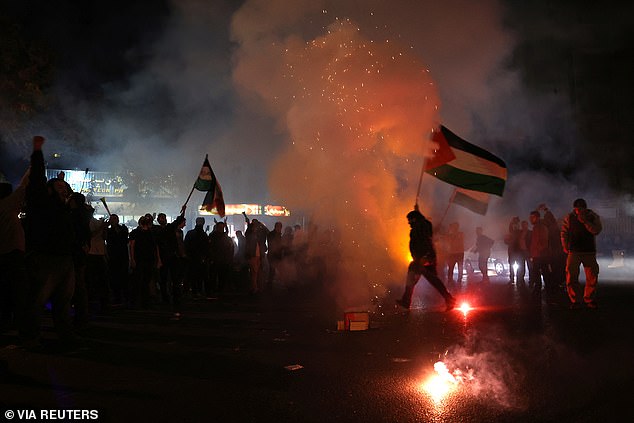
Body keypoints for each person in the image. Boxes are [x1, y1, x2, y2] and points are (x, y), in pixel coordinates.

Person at [22, 136, 78, 348]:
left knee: (63, 302)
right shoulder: (42, 203)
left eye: (65, 186)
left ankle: (66, 336)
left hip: (65, 258)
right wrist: (38, 152)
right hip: (46, 258)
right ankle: (31, 337)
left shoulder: (65, 208)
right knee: (37, 301)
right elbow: (37, 178)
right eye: (60, 186)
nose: (64, 189)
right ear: (49, 190)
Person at [396, 206, 456, 311]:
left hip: (423, 258)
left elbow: (425, 241)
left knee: (416, 276)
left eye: (410, 220)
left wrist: (425, 256)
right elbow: (424, 225)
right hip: (424, 257)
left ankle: (406, 301)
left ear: (414, 219)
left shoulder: (420, 227)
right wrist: (418, 211)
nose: (409, 223)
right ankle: (449, 299)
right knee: (433, 280)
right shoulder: (423, 225)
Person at [0, 170, 28, 335]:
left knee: (3, 290)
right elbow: (24, 185)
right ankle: (20, 325)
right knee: (18, 291)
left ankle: (5, 323)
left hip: (3, 252)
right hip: (13, 253)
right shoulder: (8, 204)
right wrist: (33, 164)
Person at [560, 198, 602, 309]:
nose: (578, 211)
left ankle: (589, 299)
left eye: (580, 209)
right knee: (571, 276)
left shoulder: (592, 216)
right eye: (576, 209)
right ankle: (575, 300)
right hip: (573, 251)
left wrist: (585, 222)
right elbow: (564, 232)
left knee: (592, 276)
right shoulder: (569, 217)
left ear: (585, 208)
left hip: (589, 251)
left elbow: (597, 230)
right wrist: (564, 245)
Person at [105, 214, 129, 307]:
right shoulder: (109, 230)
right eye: (112, 219)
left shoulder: (123, 228)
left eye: (115, 219)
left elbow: (124, 238)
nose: (114, 221)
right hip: (113, 256)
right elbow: (106, 238)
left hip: (122, 256)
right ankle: (117, 297)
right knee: (114, 278)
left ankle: (126, 297)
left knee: (124, 277)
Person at [184, 217, 209, 298]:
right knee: (200, 276)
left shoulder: (190, 233)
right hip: (200, 259)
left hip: (192, 258)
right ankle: (198, 290)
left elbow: (186, 245)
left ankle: (193, 291)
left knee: (193, 276)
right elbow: (206, 247)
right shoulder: (203, 234)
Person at [528, 210, 549, 296]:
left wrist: (539, 250)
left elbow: (543, 241)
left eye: (532, 217)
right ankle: (542, 287)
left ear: (537, 218)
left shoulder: (540, 227)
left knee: (541, 271)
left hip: (540, 254)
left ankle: (542, 287)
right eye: (530, 218)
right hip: (537, 254)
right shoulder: (536, 227)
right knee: (539, 271)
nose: (531, 219)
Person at [266, 221, 283, 291]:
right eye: (280, 227)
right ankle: (270, 284)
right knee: (272, 270)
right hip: (273, 255)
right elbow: (274, 245)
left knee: (273, 270)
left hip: (274, 255)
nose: (280, 229)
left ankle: (271, 284)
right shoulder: (273, 235)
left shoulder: (273, 234)